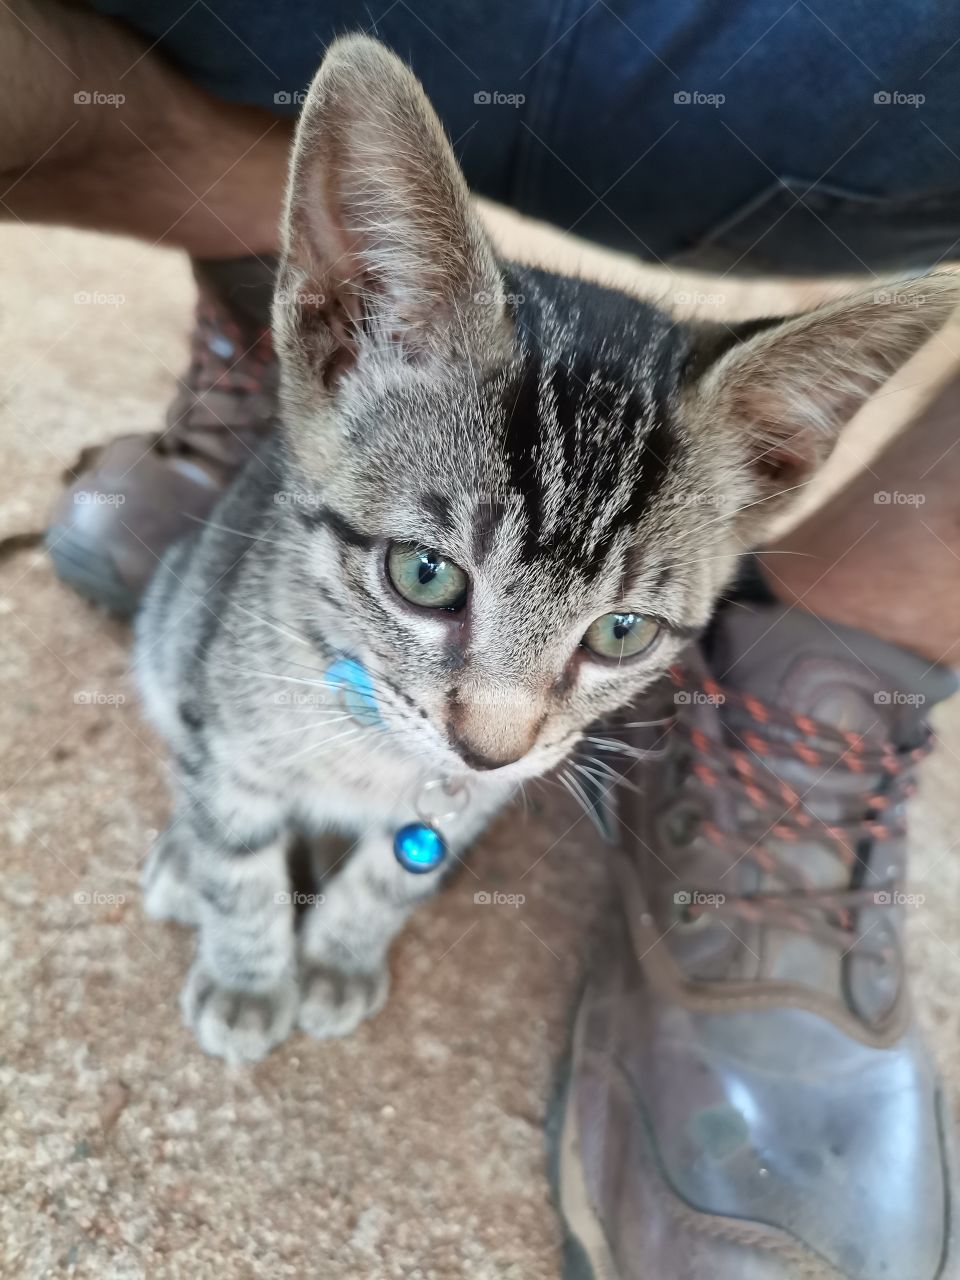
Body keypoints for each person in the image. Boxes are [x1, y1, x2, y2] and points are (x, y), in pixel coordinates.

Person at [9, 1, 960, 1274]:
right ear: (346, 336)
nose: (502, 724)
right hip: (259, 675)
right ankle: (248, 393)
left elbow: (456, 782)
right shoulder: (389, 392)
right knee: (221, 758)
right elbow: (215, 751)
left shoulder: (514, 690)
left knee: (435, 811)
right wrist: (252, 947)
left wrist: (349, 932)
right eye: (425, 571)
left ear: (768, 469)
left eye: (618, 629)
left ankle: (364, 904)